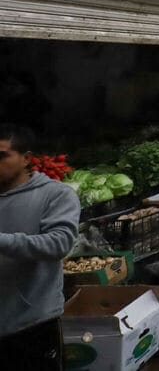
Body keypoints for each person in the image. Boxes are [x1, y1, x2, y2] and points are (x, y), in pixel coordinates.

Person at [0, 124, 80, 370]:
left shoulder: (56, 195)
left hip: (31, 324)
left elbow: (59, 243)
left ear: (26, 159)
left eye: (1, 156)